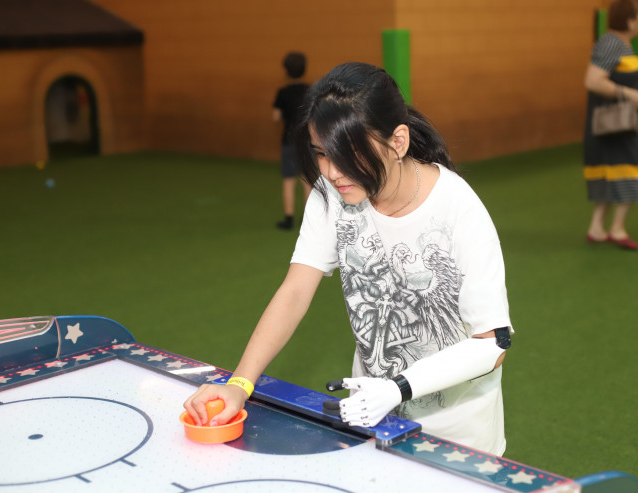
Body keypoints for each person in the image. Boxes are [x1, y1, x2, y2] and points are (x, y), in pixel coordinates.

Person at [184, 62, 513, 455]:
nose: (332, 171)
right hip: (370, 419)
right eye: (321, 153)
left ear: (398, 142)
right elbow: (295, 291)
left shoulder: (458, 209)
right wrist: (239, 383)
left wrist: (398, 388)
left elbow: (493, 345)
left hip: (457, 436)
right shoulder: (333, 195)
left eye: (348, 154)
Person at [583, 0, 638, 250]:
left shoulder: (621, 44)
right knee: (633, 172)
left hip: (625, 127)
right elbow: (593, 81)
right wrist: (628, 94)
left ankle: (597, 228)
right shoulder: (611, 43)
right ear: (630, 21)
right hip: (613, 129)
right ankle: (617, 229)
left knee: (611, 175)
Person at [273, 51, 312, 230]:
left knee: (289, 180)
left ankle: (288, 218)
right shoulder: (310, 91)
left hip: (288, 141)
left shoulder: (283, 92)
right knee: (307, 181)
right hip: (306, 141)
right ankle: (308, 219)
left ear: (286, 71)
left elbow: (275, 116)